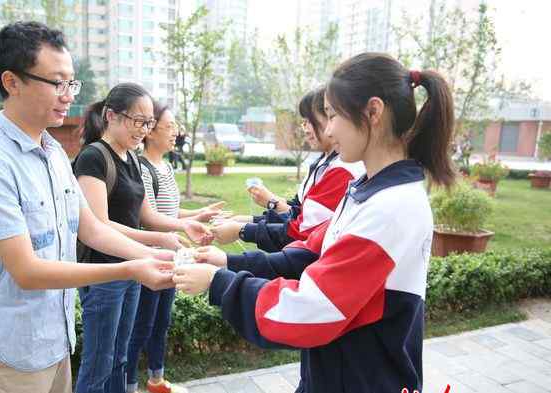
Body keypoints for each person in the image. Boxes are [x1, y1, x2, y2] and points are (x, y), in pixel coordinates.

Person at [173, 52, 456, 393]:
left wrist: (219, 284)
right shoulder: (366, 191)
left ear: (373, 112)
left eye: (333, 115)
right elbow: (310, 254)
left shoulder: (391, 208)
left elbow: (315, 307)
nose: (329, 128)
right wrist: (226, 261)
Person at [0, 21, 175, 393]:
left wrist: (154, 256)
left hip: (55, 340)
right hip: (10, 353)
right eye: (57, 82)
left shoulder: (55, 153)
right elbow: (26, 271)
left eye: (71, 83)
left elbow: (91, 228)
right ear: (12, 82)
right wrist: (132, 268)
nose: (67, 94)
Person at [72, 85, 213, 393]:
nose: (144, 129)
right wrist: (159, 243)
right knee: (99, 361)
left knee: (121, 358)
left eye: (149, 122)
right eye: (138, 120)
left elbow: (147, 215)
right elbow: (99, 225)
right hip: (103, 274)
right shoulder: (94, 158)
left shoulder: (133, 159)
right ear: (111, 116)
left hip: (134, 268)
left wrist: (181, 227)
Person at [125, 101, 222, 393]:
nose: (175, 133)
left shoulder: (165, 166)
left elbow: (170, 213)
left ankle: (156, 380)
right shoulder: (141, 168)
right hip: (152, 256)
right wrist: (182, 226)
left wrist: (198, 214)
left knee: (162, 321)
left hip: (172, 255)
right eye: (169, 127)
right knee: (141, 326)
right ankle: (129, 385)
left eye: (176, 127)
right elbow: (150, 218)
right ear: (150, 131)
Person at [210, 88, 364, 252]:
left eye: (310, 121)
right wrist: (244, 221)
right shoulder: (324, 163)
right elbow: (297, 213)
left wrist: (242, 229)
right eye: (303, 122)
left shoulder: (342, 170)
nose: (305, 129)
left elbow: (299, 232)